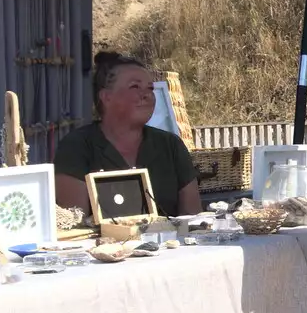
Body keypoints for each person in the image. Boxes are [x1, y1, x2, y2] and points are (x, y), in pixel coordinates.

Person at [55, 52, 202, 217]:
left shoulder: (170, 145)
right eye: (135, 87)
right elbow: (75, 222)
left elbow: (192, 219)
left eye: (150, 88)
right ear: (106, 97)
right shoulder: (77, 146)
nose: (146, 95)